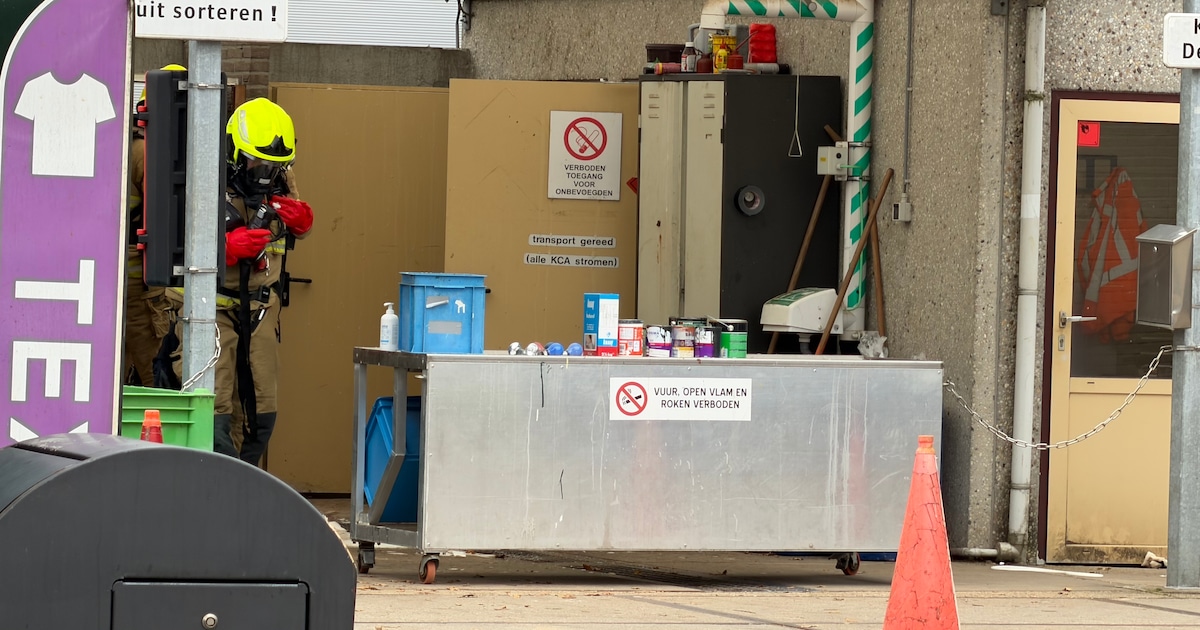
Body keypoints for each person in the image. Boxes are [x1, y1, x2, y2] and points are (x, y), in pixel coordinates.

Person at [167, 98, 313, 464]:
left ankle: (242, 484)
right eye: (255, 161)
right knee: (211, 408)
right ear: (234, 151)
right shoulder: (203, 179)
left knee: (262, 411)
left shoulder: (281, 178)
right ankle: (215, 488)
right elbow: (174, 242)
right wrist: (224, 249)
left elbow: (290, 226)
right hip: (209, 310)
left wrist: (303, 222)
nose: (264, 171)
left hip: (261, 309)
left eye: (273, 165)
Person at [123, 64, 186, 387]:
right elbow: (171, 217)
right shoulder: (148, 156)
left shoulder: (139, 149)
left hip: (146, 288)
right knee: (155, 380)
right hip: (143, 292)